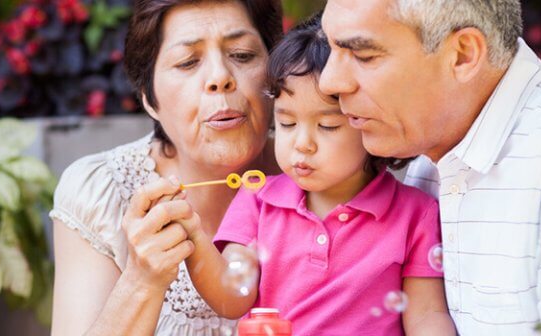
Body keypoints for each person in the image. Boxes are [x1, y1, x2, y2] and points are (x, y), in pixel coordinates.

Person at [317, 0, 541, 333]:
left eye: (364, 56)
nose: (330, 82)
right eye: (331, 49)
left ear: (463, 55)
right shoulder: (425, 140)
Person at [182, 16, 455, 335]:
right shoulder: (257, 201)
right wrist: (193, 236)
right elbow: (231, 299)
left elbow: (426, 316)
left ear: (369, 120)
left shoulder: (414, 214)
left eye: (326, 126)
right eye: (286, 123)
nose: (302, 144)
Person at [49, 0, 282, 334]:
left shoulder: (326, 176)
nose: (220, 77)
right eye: (188, 62)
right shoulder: (101, 193)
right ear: (149, 98)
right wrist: (142, 280)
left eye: (242, 55)